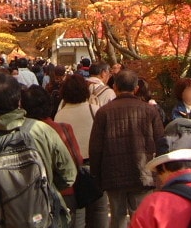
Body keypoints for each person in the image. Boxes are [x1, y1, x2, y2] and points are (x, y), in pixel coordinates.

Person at [0, 73, 77, 227]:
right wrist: (44, 186)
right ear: (19, 99)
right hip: (45, 218)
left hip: (5, 220)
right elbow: (69, 175)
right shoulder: (41, 130)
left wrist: (3, 200)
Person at [89, 69, 165, 228]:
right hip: (143, 173)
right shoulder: (150, 110)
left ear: (115, 87)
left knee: (118, 218)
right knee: (142, 218)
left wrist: (96, 175)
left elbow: (96, 147)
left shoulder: (104, 112)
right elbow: (161, 142)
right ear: (136, 88)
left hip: (113, 174)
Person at [22, 85, 85, 226]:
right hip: (64, 193)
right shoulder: (63, 128)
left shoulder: (20, 133)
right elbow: (77, 160)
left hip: (29, 196)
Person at [55, 73, 108, 228]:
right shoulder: (96, 110)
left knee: (77, 213)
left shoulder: (60, 115)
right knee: (99, 211)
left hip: (72, 170)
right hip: (95, 167)